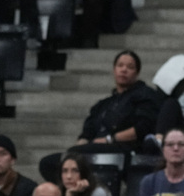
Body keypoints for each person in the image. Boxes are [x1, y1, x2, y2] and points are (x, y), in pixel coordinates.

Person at [39, 51, 159, 179]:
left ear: (137, 73)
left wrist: (109, 139)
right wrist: (80, 143)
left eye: (130, 67)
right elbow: (87, 131)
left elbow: (142, 128)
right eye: (120, 65)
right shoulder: (103, 104)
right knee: (49, 163)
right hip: (93, 148)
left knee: (77, 155)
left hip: (124, 149)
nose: (124, 70)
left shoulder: (145, 95)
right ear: (114, 69)